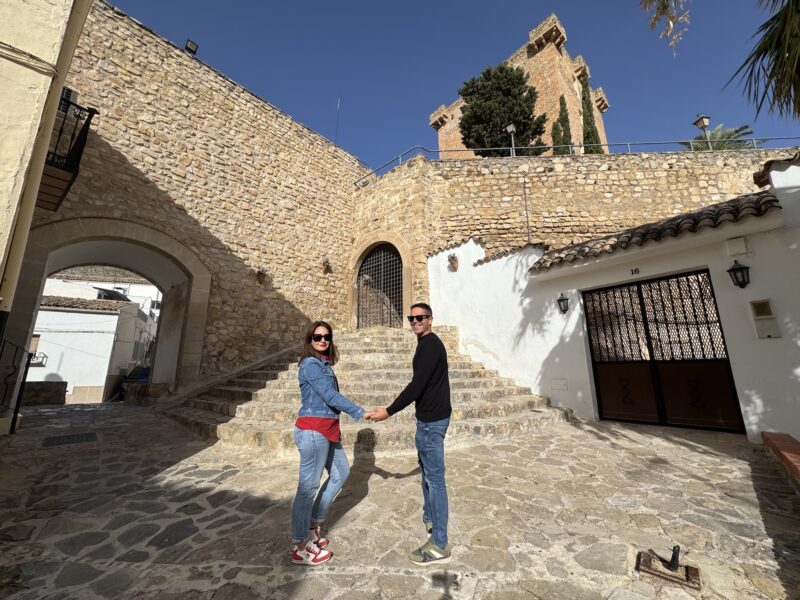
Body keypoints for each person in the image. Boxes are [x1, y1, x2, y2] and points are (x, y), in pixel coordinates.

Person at [367, 302, 452, 565]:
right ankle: (430, 517)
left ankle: (439, 543)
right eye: (411, 318)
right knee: (427, 473)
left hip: (431, 422)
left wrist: (389, 411)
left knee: (435, 481)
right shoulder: (427, 343)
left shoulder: (430, 346)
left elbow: (416, 386)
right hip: (431, 417)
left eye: (420, 317)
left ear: (430, 319)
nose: (414, 321)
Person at [290, 320, 369, 566]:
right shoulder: (311, 365)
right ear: (309, 340)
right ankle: (300, 546)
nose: (322, 340)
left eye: (327, 336)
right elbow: (330, 396)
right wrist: (360, 412)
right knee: (308, 488)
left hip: (328, 430)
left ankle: (313, 524)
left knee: (341, 473)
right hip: (313, 430)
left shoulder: (325, 364)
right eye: (317, 337)